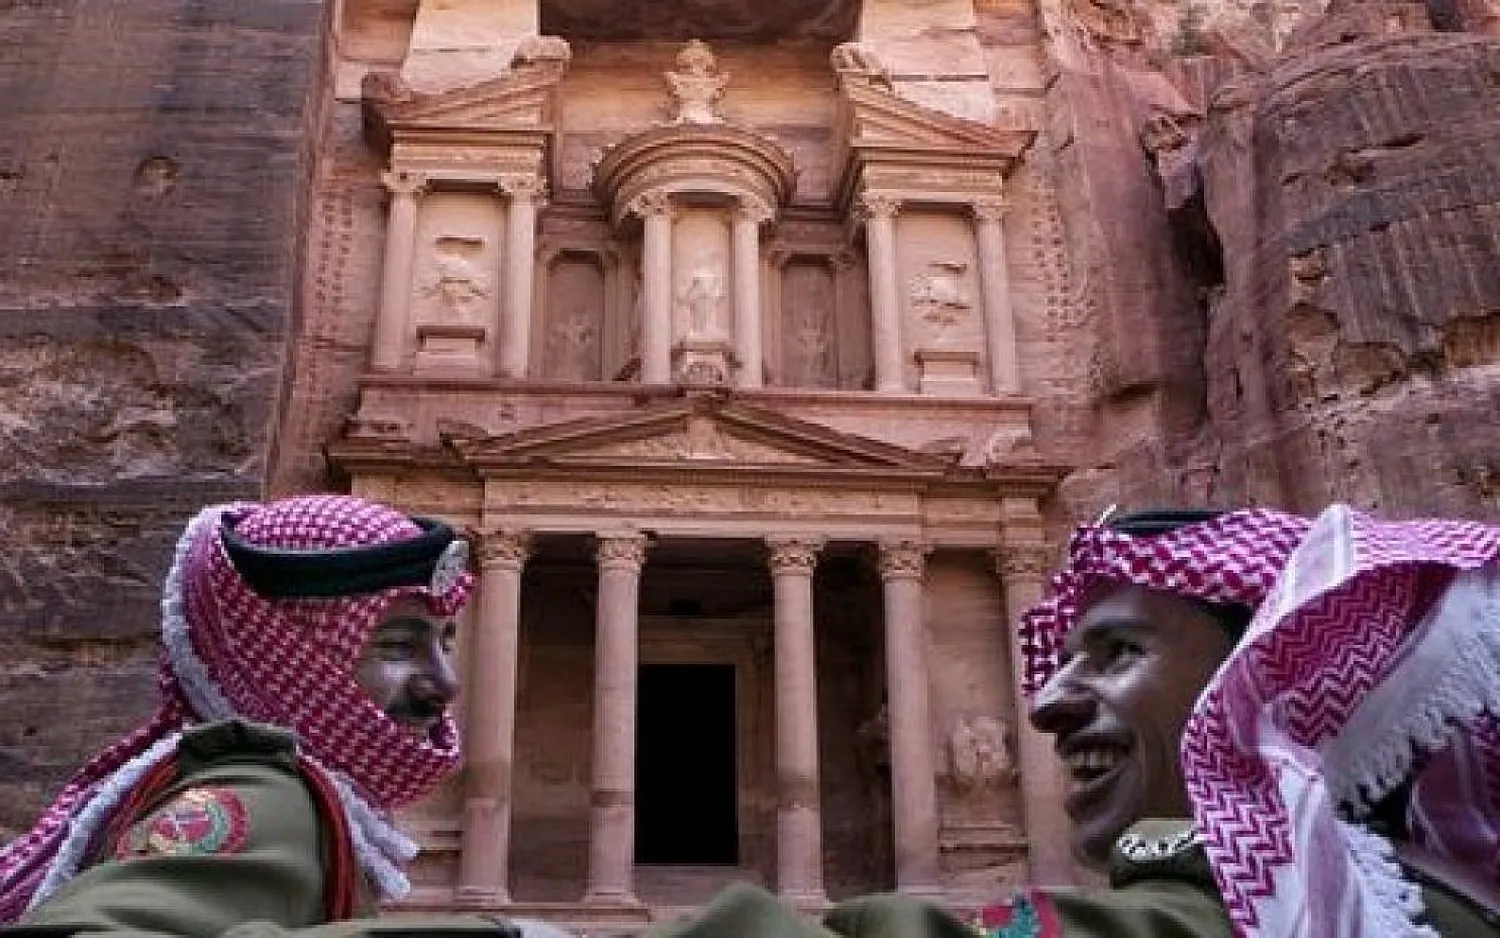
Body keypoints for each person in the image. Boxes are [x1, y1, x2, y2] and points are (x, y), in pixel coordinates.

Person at [648, 505, 1500, 937]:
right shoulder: (1422, 901)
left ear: (1277, 683)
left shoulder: (1256, 913)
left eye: (1118, 654)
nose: (1045, 705)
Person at [0, 495, 522, 937]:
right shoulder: (269, 796)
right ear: (290, 659)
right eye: (399, 647)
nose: (447, 682)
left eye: (444, 642)